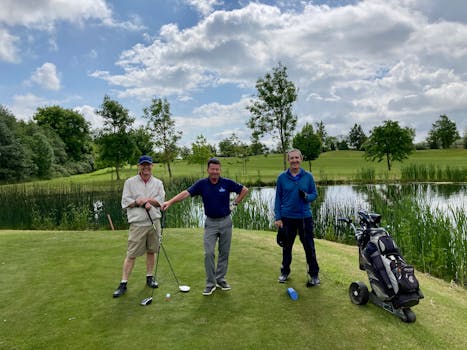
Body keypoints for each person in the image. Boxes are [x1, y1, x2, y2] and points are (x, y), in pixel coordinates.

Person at [162, 157, 249, 296]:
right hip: (211, 223)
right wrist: (171, 202)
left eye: (217, 169)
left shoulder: (226, 183)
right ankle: (210, 283)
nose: (215, 172)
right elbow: (186, 193)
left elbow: (244, 190)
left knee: (224, 252)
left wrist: (234, 204)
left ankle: (220, 279)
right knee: (208, 253)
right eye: (212, 169)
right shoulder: (202, 184)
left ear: (220, 170)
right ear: (208, 170)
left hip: (226, 221)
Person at [112, 155, 165, 298]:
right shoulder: (130, 182)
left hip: (154, 222)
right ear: (139, 166)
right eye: (143, 165)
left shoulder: (158, 183)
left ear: (152, 166)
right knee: (131, 254)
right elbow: (125, 202)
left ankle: (149, 277)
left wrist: (146, 200)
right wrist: (138, 202)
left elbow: (160, 201)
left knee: (152, 251)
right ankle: (123, 283)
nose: (146, 167)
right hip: (137, 224)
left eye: (148, 165)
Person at [274, 149, 320, 287]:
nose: (294, 160)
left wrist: (306, 196)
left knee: (309, 248)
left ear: (301, 159)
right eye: (291, 158)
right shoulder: (282, 177)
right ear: (288, 160)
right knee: (287, 247)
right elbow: (278, 199)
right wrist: (278, 217)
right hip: (287, 218)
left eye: (297, 158)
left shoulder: (308, 176)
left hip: (305, 218)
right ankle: (285, 272)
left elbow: (314, 194)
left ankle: (314, 275)